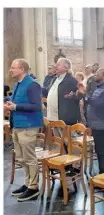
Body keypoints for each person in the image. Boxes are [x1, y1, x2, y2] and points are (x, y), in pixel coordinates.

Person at [5, 59, 43, 201]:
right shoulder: (18, 84)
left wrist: (15, 107)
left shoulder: (32, 84)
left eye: (13, 68)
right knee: (21, 158)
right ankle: (27, 184)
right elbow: (19, 102)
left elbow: (36, 106)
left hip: (28, 125)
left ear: (22, 69)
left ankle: (33, 187)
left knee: (29, 157)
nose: (11, 70)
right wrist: (10, 106)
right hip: (18, 124)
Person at [77, 68, 104, 174]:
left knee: (102, 152)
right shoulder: (100, 88)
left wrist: (85, 96)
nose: (95, 75)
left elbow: (99, 105)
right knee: (100, 151)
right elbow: (93, 102)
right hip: (97, 124)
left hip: (103, 125)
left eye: (98, 74)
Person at [46, 58, 81, 126]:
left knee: (65, 136)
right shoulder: (54, 79)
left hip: (64, 118)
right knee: (54, 136)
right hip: (52, 116)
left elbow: (79, 96)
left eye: (58, 65)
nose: (55, 66)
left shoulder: (71, 80)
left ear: (66, 67)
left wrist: (75, 94)